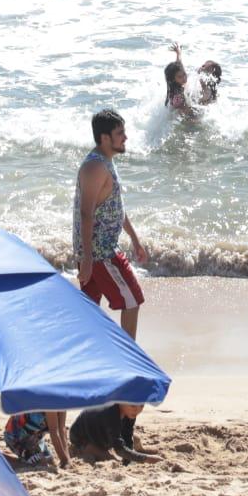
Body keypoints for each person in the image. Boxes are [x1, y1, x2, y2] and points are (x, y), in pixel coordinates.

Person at [73, 109, 150, 338]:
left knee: (89, 312)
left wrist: (135, 240)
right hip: (100, 253)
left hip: (96, 253)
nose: (125, 137)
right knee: (132, 300)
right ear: (105, 138)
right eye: (120, 133)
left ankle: (91, 358)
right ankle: (131, 359)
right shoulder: (95, 167)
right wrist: (87, 259)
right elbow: (86, 214)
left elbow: (114, 207)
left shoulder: (106, 162)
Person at [69, 403, 160, 464]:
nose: (137, 410)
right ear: (121, 401)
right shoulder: (111, 413)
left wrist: (129, 459)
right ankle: (78, 449)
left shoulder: (129, 411)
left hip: (106, 434)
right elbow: (119, 450)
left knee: (136, 439)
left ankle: (141, 450)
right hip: (84, 438)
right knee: (112, 459)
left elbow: (127, 436)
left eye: (141, 406)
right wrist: (145, 459)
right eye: (133, 406)